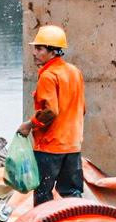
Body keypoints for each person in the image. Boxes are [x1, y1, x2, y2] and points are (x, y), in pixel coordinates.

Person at [17, 24, 85, 205]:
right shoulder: (74, 72)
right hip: (72, 145)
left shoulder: (48, 76)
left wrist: (29, 124)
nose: (34, 52)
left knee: (43, 196)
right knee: (72, 195)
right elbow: (81, 108)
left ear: (53, 51)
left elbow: (50, 111)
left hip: (50, 147)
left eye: (39, 49)